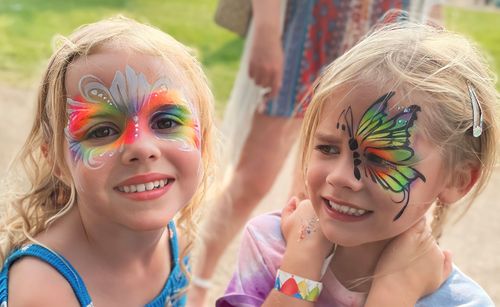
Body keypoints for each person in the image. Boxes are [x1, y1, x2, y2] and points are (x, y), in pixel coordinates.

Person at [216, 20, 498, 306]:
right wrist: (301, 268)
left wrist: (394, 292)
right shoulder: (271, 246)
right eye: (327, 148)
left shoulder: (461, 303)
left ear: (458, 181)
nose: (340, 177)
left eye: (379, 158)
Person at [191, 0, 444, 302]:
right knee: (255, 177)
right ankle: (197, 281)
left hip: (383, 31)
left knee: (321, 189)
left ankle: (309, 268)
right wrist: (267, 30)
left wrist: (434, 42)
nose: (344, 176)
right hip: (308, 28)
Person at [0, 16, 216, 306]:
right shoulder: (43, 288)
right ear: (55, 161)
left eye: (166, 121)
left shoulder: (173, 237)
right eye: (102, 130)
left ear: (203, 135)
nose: (141, 147)